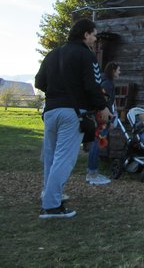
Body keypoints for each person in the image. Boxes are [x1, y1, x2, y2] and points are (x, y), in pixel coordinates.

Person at [35, 18, 111, 219]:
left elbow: (39, 81)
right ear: (85, 34)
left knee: (51, 159)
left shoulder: (53, 54)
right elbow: (93, 86)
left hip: (50, 111)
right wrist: (102, 107)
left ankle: (50, 195)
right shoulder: (86, 56)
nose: (95, 39)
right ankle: (51, 206)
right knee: (64, 159)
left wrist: (56, 93)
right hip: (73, 113)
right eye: (94, 34)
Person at [86, 61, 120, 185]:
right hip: (102, 119)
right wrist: (108, 118)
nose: (119, 72)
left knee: (97, 144)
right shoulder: (107, 84)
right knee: (96, 144)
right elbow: (104, 103)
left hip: (103, 118)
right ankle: (92, 173)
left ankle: (93, 172)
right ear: (113, 71)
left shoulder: (107, 82)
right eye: (118, 70)